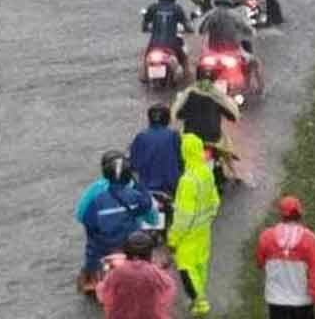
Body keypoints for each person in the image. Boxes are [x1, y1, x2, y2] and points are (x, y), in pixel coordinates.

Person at [75, 151, 156, 295]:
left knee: (91, 256)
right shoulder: (135, 193)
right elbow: (149, 211)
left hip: (103, 246)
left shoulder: (96, 195)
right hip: (130, 244)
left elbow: (83, 217)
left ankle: (91, 278)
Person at [168, 132, 221, 317]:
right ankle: (199, 299)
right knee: (200, 266)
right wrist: (207, 218)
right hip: (203, 231)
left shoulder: (187, 180)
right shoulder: (206, 171)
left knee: (186, 268)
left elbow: (183, 216)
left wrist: (173, 238)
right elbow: (215, 201)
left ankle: (200, 303)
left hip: (188, 235)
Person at [256, 195, 315, 319]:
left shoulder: (266, 237)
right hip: (302, 303)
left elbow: (260, 263)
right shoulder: (310, 240)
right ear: (300, 214)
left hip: (276, 301)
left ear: (281, 214)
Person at [171, 62, 244, 183]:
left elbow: (178, 113)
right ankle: (235, 174)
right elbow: (231, 114)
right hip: (213, 138)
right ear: (214, 79)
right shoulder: (217, 95)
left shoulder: (189, 93)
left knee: (178, 151)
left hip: (191, 136)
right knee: (227, 149)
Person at [96, 230, 175, 319]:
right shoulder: (155, 272)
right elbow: (168, 291)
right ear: (149, 253)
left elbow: (103, 294)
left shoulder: (117, 271)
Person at [128, 104, 183, 200]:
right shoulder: (173, 135)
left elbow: (133, 164)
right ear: (167, 119)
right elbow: (181, 159)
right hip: (170, 187)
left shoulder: (141, 137)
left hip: (146, 188)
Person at [142, 0, 193, 75]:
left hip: (154, 44)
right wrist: (189, 30)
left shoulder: (153, 7)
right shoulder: (177, 8)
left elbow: (144, 27)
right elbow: (188, 27)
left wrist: (149, 29)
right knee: (185, 60)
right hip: (172, 44)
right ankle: (187, 78)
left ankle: (144, 76)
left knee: (145, 59)